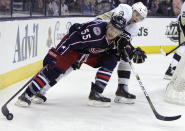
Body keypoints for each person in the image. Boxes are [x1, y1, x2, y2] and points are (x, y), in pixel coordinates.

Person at [15, 15, 127, 107]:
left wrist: (130, 52)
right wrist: (56, 54)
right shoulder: (96, 32)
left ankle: (96, 94)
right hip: (72, 48)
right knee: (54, 70)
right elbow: (72, 39)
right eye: (112, 28)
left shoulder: (119, 39)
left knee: (111, 60)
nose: (112, 33)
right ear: (108, 25)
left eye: (116, 32)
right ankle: (26, 95)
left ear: (120, 33)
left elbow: (126, 47)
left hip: (86, 53)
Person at [95, 2, 148, 104]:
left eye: (140, 18)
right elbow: (115, 26)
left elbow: (123, 44)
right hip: (97, 31)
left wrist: (133, 50)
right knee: (74, 60)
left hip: (108, 41)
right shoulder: (126, 9)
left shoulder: (134, 28)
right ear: (132, 10)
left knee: (126, 56)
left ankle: (122, 89)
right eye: (136, 15)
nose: (137, 19)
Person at [164, 0, 184, 80]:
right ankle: (171, 69)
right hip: (183, 20)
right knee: (183, 46)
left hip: (182, 19)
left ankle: (172, 69)